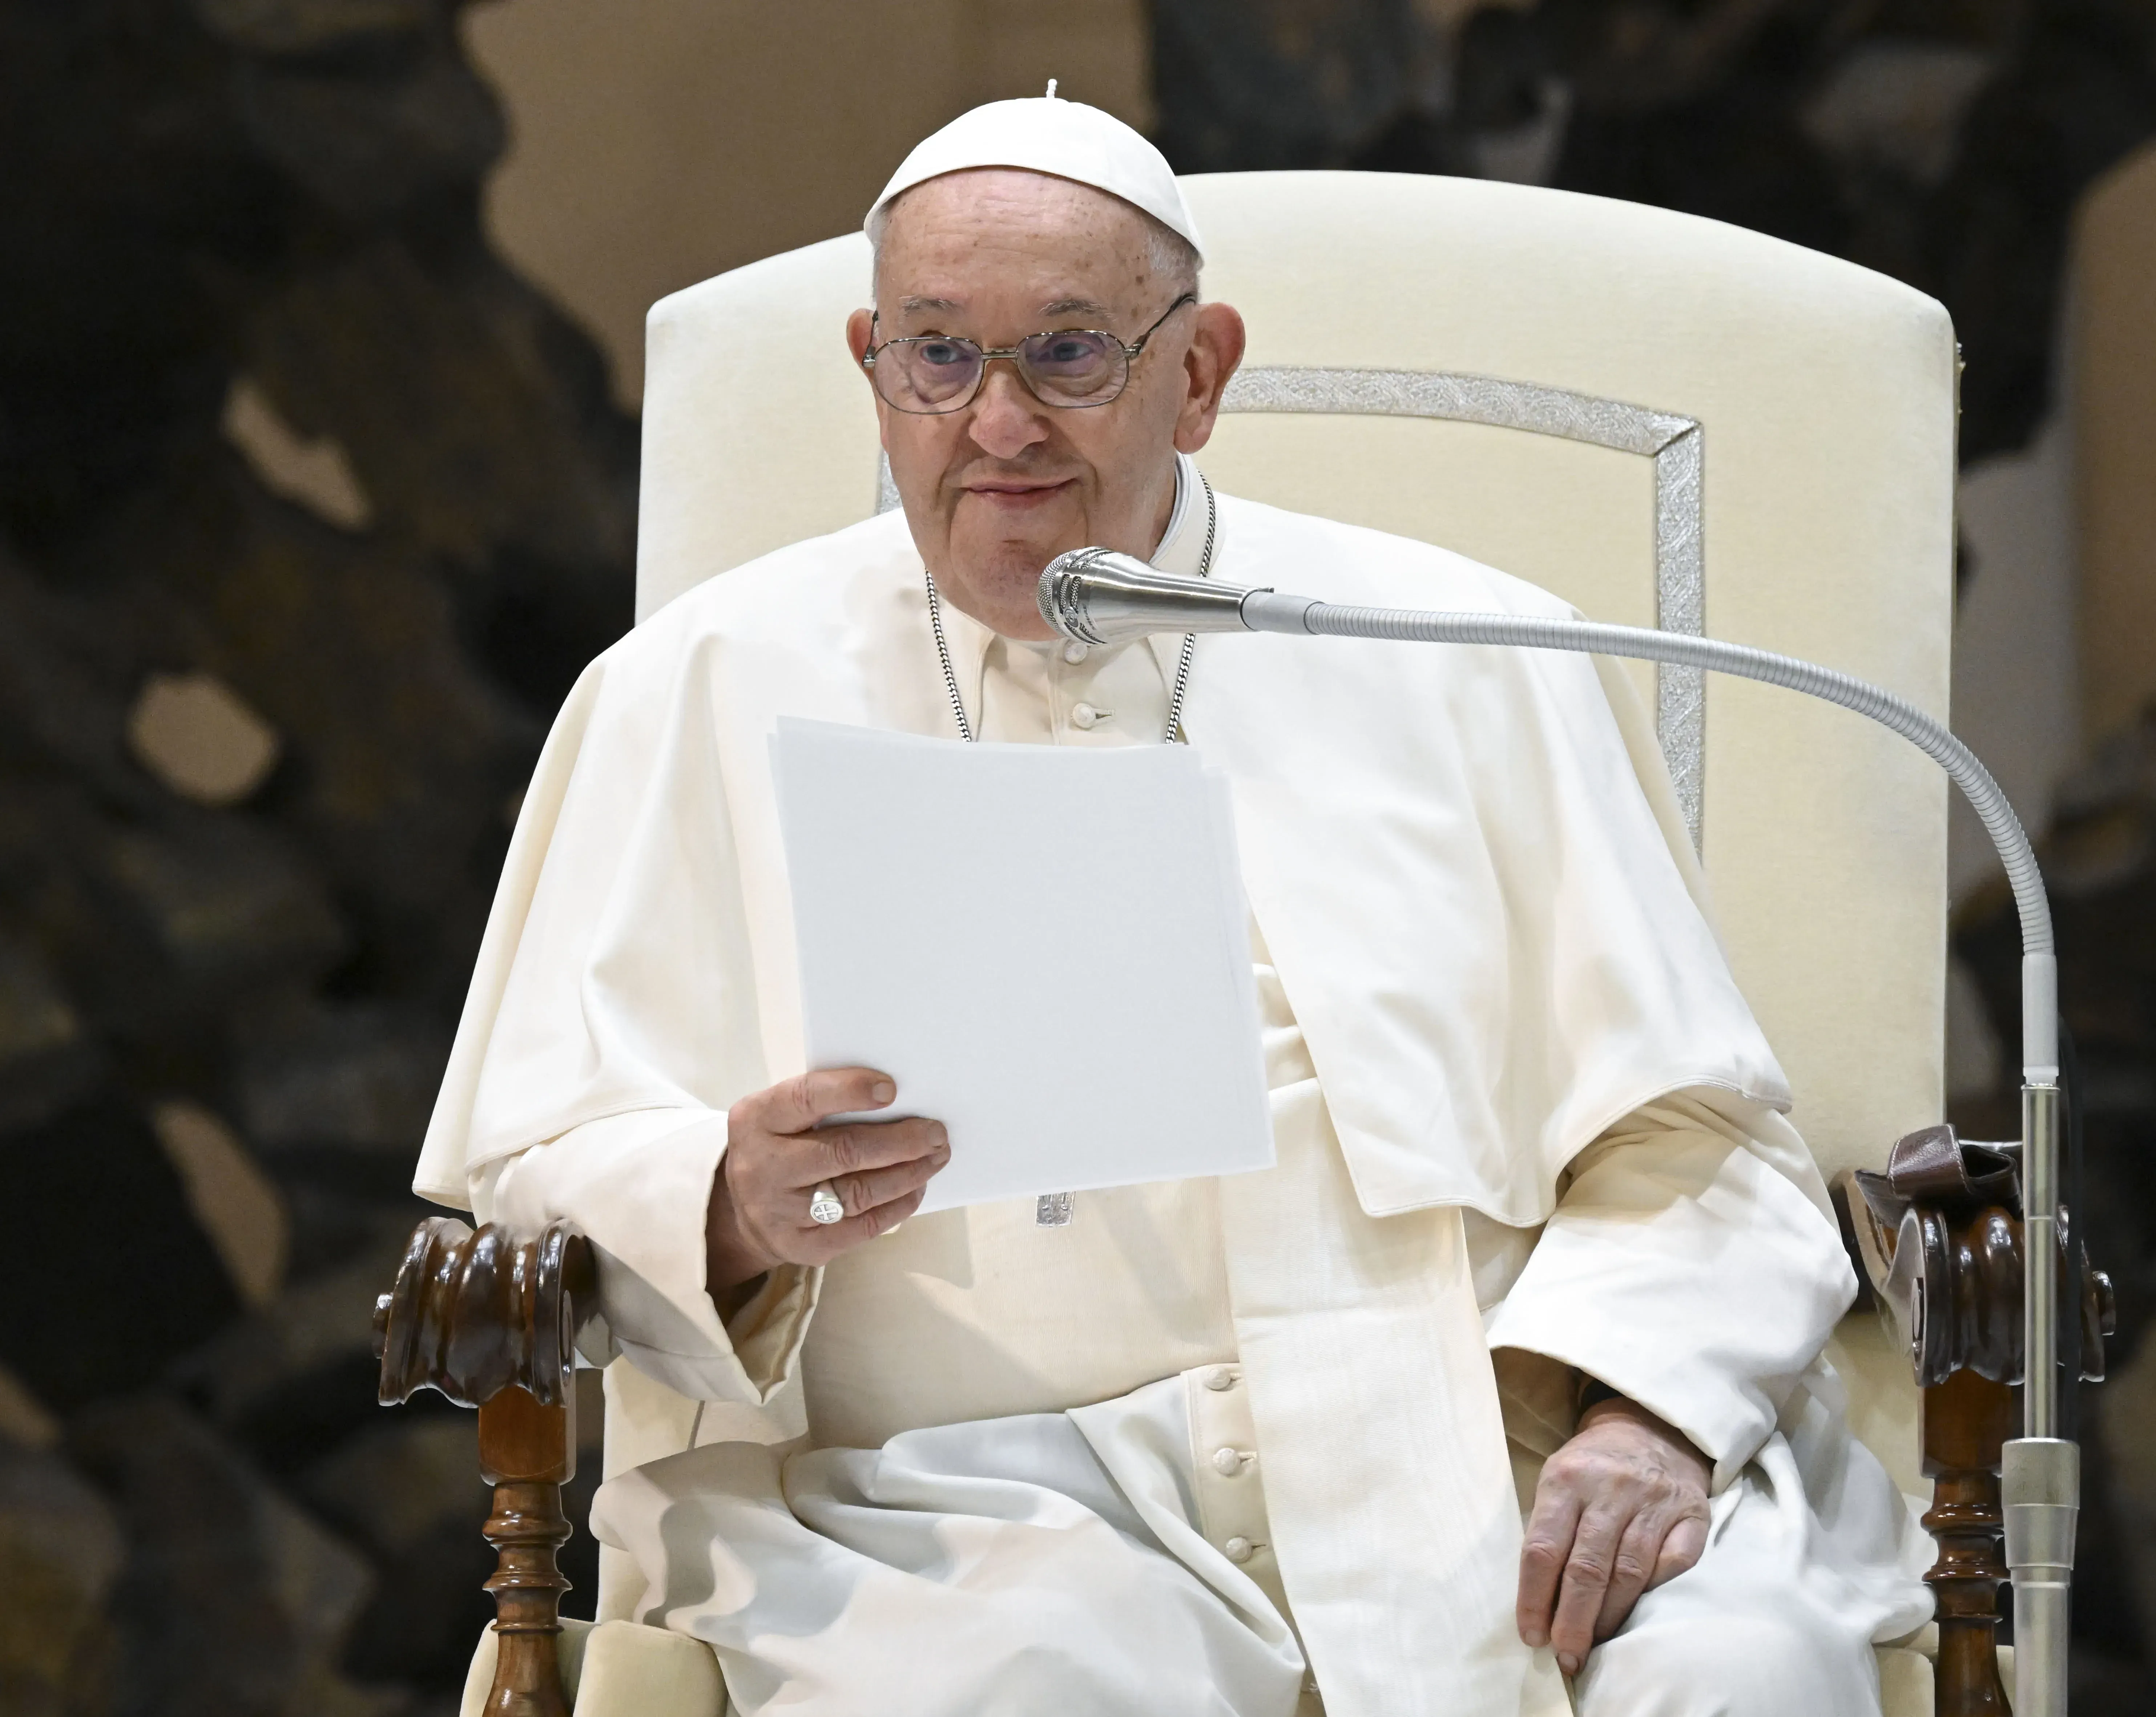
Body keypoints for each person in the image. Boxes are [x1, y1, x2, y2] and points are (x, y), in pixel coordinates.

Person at [416, 94, 1931, 1717]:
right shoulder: (687, 690)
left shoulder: (1458, 644)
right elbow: (527, 1174)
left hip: (1485, 1437)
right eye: (938, 355)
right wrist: (722, 1202)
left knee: (1742, 1669)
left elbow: (1700, 1138)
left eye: (1068, 353)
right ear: (871, 362)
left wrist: (1643, 1408)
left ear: (1198, 372)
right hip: (965, 1505)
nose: (995, 424)